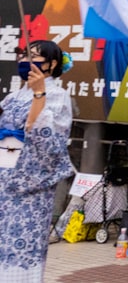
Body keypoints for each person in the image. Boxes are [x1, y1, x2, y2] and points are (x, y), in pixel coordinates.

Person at [0, 40, 74, 282]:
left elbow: (47, 140)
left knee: (20, 247)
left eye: (34, 56)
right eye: (24, 55)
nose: (25, 60)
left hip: (30, 187)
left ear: (51, 64)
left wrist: (39, 94)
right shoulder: (13, 97)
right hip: (3, 176)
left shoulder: (58, 96)